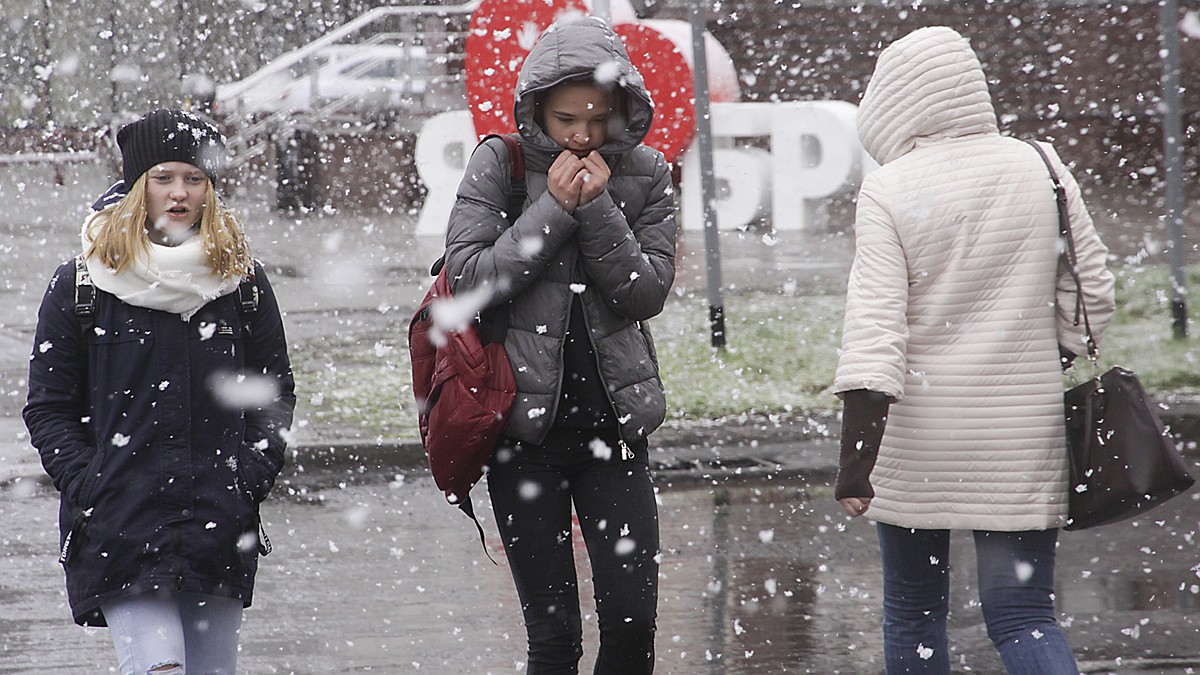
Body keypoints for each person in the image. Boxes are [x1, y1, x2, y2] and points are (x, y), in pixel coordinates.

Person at [831, 27, 1115, 674]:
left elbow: (875, 331)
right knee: (1022, 615)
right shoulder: (1040, 165)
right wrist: (1058, 356)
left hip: (917, 437)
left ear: (895, 102)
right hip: (1021, 429)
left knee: (914, 612)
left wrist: (856, 460)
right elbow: (1093, 290)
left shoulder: (889, 189)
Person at [442, 16, 676, 674]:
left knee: (632, 632)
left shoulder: (647, 173)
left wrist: (597, 206)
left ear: (621, 110)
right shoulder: (501, 163)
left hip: (616, 433)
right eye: (566, 118)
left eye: (597, 118)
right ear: (536, 109)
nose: (581, 135)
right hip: (523, 435)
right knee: (554, 641)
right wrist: (554, 208)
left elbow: (644, 292)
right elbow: (472, 278)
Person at [24, 108, 296, 675]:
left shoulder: (239, 280)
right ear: (136, 185)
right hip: (121, 519)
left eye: (194, 179)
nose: (180, 193)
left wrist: (248, 474)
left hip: (217, 522)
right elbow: (49, 407)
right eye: (164, 177)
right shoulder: (82, 282)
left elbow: (272, 393)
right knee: (157, 667)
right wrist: (90, 481)